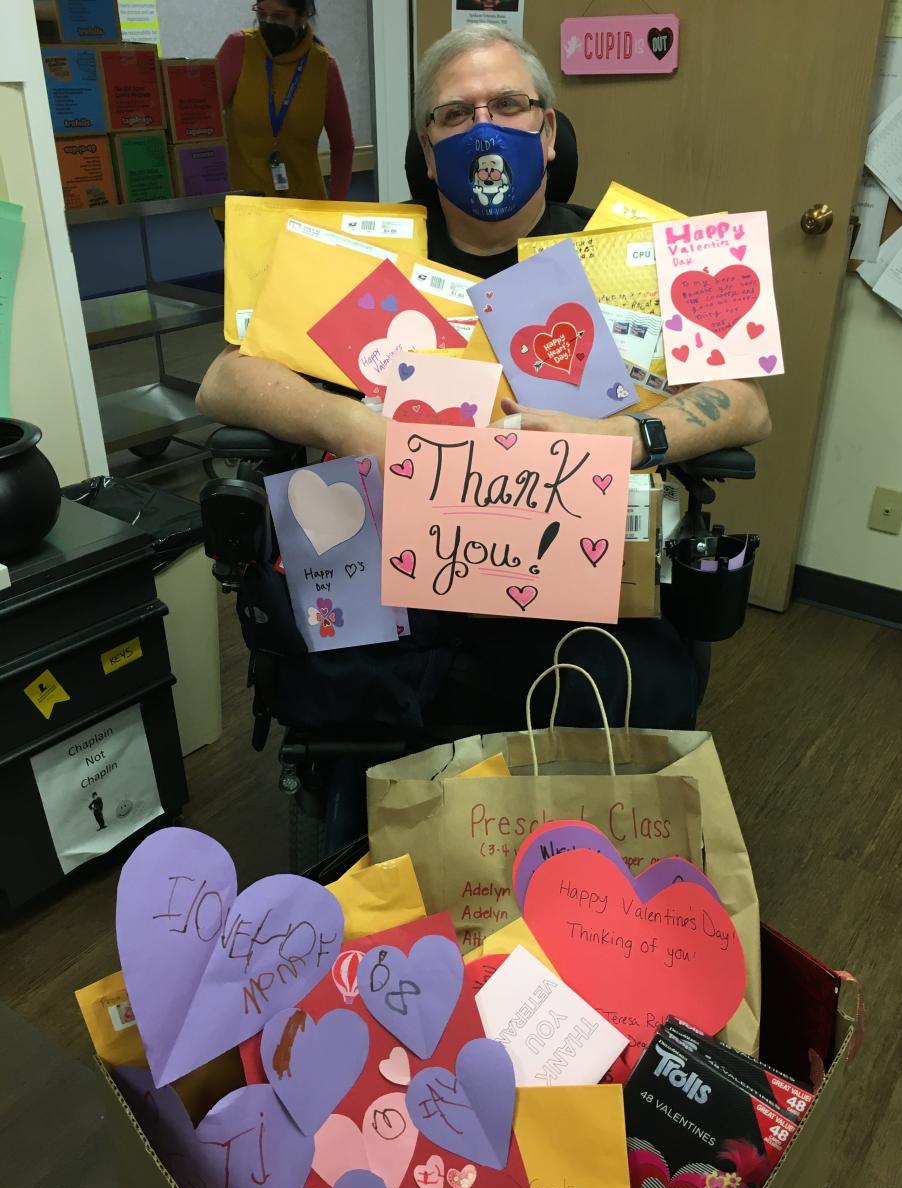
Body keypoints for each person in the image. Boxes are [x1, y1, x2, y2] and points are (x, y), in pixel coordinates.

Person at [197, 25, 772, 733]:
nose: (485, 127)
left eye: (508, 104)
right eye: (456, 114)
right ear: (430, 155)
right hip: (404, 584)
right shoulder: (367, 263)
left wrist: (627, 437)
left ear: (549, 132)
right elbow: (223, 382)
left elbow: (748, 404)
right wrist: (354, 426)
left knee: (632, 690)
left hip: (574, 581)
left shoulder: (626, 260)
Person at [217, 0, 355, 201]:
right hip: (243, 205)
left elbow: (343, 146)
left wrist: (337, 206)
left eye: (279, 16)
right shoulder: (239, 48)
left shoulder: (323, 66)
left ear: (303, 15)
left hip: (305, 206)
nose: (268, 22)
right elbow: (203, 121)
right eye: (262, 14)